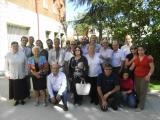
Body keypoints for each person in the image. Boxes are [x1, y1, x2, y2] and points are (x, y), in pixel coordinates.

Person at [130, 46, 154, 112]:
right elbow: (132, 67)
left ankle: (141, 106)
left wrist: (149, 75)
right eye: (139, 50)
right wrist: (125, 72)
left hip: (145, 77)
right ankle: (139, 103)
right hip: (136, 77)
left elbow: (152, 68)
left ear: (144, 50)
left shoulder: (148, 58)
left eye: (141, 50)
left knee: (143, 91)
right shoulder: (136, 58)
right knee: (137, 91)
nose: (140, 51)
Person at [5, 41, 29, 106]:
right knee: (15, 88)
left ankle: (22, 100)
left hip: (21, 73)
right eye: (14, 46)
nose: (15, 47)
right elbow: (6, 66)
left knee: (22, 88)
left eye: (16, 46)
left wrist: (26, 72)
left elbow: (26, 64)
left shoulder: (22, 54)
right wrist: (7, 74)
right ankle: (16, 100)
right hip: (12, 75)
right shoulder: (8, 55)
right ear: (11, 47)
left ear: (18, 46)